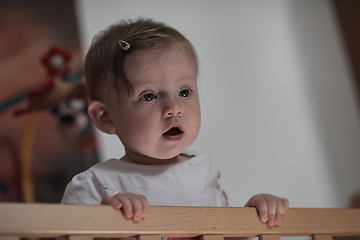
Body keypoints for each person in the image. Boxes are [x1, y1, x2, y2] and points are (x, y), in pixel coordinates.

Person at [61, 18, 289, 228]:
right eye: (148, 96)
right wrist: (107, 222)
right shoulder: (97, 184)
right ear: (105, 117)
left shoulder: (203, 170)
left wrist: (252, 218)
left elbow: (217, 233)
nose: (174, 107)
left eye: (184, 91)